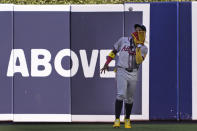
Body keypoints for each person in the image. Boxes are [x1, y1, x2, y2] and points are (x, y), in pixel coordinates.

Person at [100, 24, 148, 128]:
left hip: (133, 72)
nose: (137, 32)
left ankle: (127, 119)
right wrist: (107, 63)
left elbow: (139, 61)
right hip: (121, 70)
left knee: (129, 98)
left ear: (143, 34)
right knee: (120, 94)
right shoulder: (123, 40)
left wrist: (138, 47)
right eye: (136, 30)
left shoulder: (144, 48)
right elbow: (114, 52)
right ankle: (117, 120)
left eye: (140, 31)